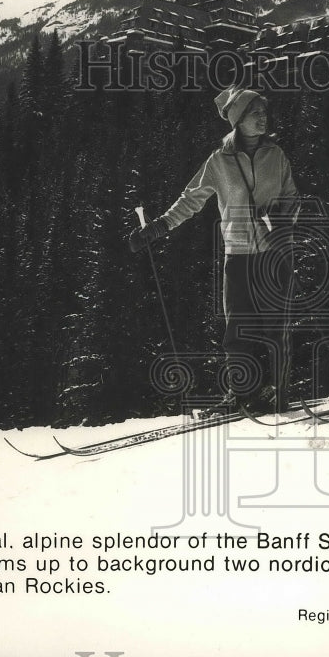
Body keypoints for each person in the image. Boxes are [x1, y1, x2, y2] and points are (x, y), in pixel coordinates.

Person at [129, 87, 300, 415]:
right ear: (238, 120)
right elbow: (191, 199)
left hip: (274, 254)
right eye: (255, 113)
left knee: (276, 329)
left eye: (264, 112)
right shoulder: (218, 162)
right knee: (236, 332)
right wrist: (158, 228)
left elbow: (292, 195)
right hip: (237, 257)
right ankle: (242, 394)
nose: (263, 118)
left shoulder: (276, 155)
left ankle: (279, 394)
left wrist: (280, 218)